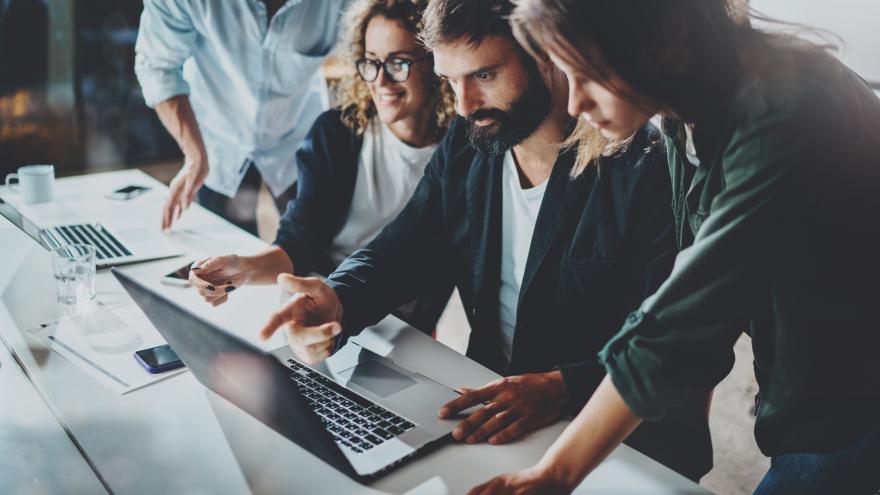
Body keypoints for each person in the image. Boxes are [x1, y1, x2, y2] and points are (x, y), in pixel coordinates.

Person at [257, 0, 714, 481]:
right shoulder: (469, 139)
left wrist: (560, 387)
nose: (464, 105)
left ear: (546, 56)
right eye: (450, 81)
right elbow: (405, 246)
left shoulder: (643, 164)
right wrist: (338, 297)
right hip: (490, 413)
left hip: (614, 442)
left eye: (484, 76)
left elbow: (680, 347)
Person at [468, 0, 880, 493]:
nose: (574, 103)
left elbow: (685, 320)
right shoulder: (680, 111)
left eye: (588, 74)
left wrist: (555, 472)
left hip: (853, 402)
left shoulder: (789, 112)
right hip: (806, 387)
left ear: (656, 43)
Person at [187, 0, 456, 332]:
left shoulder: (460, 155)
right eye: (371, 62)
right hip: (317, 308)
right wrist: (241, 269)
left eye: (398, 63)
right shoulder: (335, 135)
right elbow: (299, 242)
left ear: (437, 64)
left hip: (401, 325)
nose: (382, 81)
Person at [134, 0, 350, 235]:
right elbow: (158, 67)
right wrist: (195, 154)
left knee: (316, 247)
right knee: (223, 254)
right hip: (218, 142)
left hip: (297, 133)